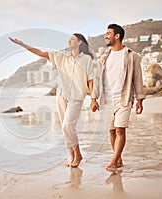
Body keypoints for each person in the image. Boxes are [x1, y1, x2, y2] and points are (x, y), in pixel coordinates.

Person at [10, 34, 99, 167]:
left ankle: (78, 154)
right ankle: (72, 156)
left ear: (80, 42)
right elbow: (40, 53)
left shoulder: (86, 59)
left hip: (76, 96)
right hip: (62, 94)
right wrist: (23, 44)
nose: (69, 41)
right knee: (65, 128)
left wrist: (93, 99)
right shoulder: (62, 56)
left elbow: (90, 80)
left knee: (68, 126)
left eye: (72, 39)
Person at [91, 24, 145, 172]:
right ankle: (119, 159)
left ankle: (113, 161)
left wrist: (140, 100)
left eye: (108, 33)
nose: (105, 36)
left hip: (124, 98)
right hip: (107, 100)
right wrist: (94, 99)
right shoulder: (104, 58)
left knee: (120, 130)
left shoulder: (131, 56)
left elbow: (137, 78)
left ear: (117, 36)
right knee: (112, 131)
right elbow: (97, 79)